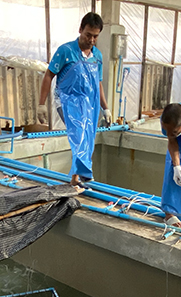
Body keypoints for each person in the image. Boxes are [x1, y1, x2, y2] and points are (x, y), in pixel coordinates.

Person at [38, 12, 112, 187]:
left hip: (90, 103)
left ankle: (81, 175)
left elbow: (98, 83)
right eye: (88, 35)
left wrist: (105, 107)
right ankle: (77, 178)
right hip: (66, 100)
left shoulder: (97, 56)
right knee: (78, 135)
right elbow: (49, 74)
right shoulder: (66, 51)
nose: (91, 40)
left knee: (89, 137)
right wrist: (41, 104)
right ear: (80, 30)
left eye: (95, 36)